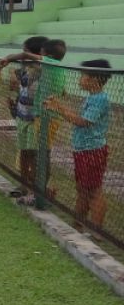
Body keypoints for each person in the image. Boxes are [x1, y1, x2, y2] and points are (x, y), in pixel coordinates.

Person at [45, 60, 113, 230]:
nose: (80, 79)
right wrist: (59, 106)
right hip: (82, 150)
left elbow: (83, 121)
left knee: (93, 191)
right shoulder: (92, 97)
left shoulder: (100, 99)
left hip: (92, 151)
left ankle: (97, 232)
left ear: (94, 79)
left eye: (83, 75)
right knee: (82, 189)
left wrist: (59, 108)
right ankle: (77, 226)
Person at [0, 36, 48, 203]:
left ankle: (37, 191)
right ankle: (24, 185)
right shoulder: (22, 70)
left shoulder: (45, 68)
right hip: (22, 117)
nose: (22, 56)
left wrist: (10, 58)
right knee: (23, 153)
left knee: (33, 154)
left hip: (36, 119)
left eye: (26, 52)